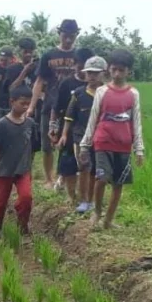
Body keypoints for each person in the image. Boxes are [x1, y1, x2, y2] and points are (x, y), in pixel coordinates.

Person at [79, 50, 145, 230]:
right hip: (103, 142)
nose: (117, 74)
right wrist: (85, 145)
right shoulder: (102, 91)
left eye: (121, 70)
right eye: (114, 69)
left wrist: (139, 148)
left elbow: (136, 121)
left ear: (128, 71)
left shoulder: (133, 94)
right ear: (109, 70)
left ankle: (108, 219)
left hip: (123, 145)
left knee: (118, 183)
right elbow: (93, 119)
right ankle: (97, 212)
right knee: (101, 178)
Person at [30, 20, 80, 187]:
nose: (68, 39)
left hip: (74, 106)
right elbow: (39, 81)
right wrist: (31, 106)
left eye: (71, 36)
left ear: (76, 35)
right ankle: (48, 178)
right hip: (50, 104)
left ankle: (64, 177)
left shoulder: (79, 57)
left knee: (68, 143)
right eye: (65, 35)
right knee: (47, 144)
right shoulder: (48, 55)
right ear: (59, 34)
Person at [0, 85, 36, 240]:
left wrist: (29, 164)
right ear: (12, 102)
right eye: (22, 103)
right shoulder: (2, 124)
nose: (26, 106)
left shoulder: (30, 124)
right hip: (4, 170)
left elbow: (32, 147)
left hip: (23, 170)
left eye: (28, 103)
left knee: (26, 198)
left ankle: (23, 226)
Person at [60, 56, 106, 214]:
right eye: (89, 73)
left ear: (103, 74)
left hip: (101, 137)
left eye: (96, 73)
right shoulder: (79, 93)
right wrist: (64, 134)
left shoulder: (107, 94)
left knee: (97, 170)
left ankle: (93, 200)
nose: (92, 76)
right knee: (84, 167)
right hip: (81, 137)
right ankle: (83, 200)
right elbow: (69, 116)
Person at [52, 48, 96, 200]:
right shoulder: (68, 84)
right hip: (71, 130)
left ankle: (86, 198)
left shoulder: (101, 89)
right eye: (79, 64)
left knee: (89, 166)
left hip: (92, 132)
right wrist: (55, 129)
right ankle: (72, 195)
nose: (83, 68)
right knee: (69, 162)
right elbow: (57, 108)